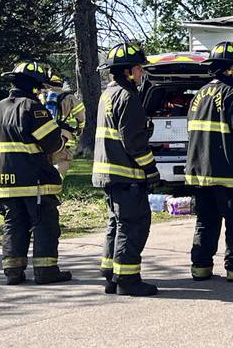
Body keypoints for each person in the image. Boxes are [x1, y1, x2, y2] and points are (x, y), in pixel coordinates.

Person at [0, 62, 72, 285]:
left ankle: (13, 272)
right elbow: (52, 144)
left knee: (14, 224)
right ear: (34, 86)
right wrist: (64, 137)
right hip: (35, 181)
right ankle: (46, 272)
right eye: (40, 88)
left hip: (5, 181)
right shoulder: (33, 108)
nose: (42, 92)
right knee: (44, 224)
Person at [186, 41, 233, 283]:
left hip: (200, 172)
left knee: (206, 221)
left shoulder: (200, 94)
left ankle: (201, 267)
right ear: (229, 69)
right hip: (229, 172)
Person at [93, 42, 160, 296]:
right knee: (133, 225)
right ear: (129, 72)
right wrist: (151, 169)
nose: (142, 73)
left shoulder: (107, 94)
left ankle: (112, 276)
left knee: (117, 224)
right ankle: (128, 280)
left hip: (108, 174)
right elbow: (133, 142)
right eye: (140, 69)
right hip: (126, 174)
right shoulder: (128, 96)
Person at [41, 75, 85, 177]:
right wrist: (80, 128)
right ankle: (57, 183)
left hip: (43, 135)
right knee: (62, 160)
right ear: (60, 85)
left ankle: (45, 187)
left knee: (46, 161)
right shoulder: (69, 98)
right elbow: (81, 115)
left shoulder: (42, 97)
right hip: (63, 136)